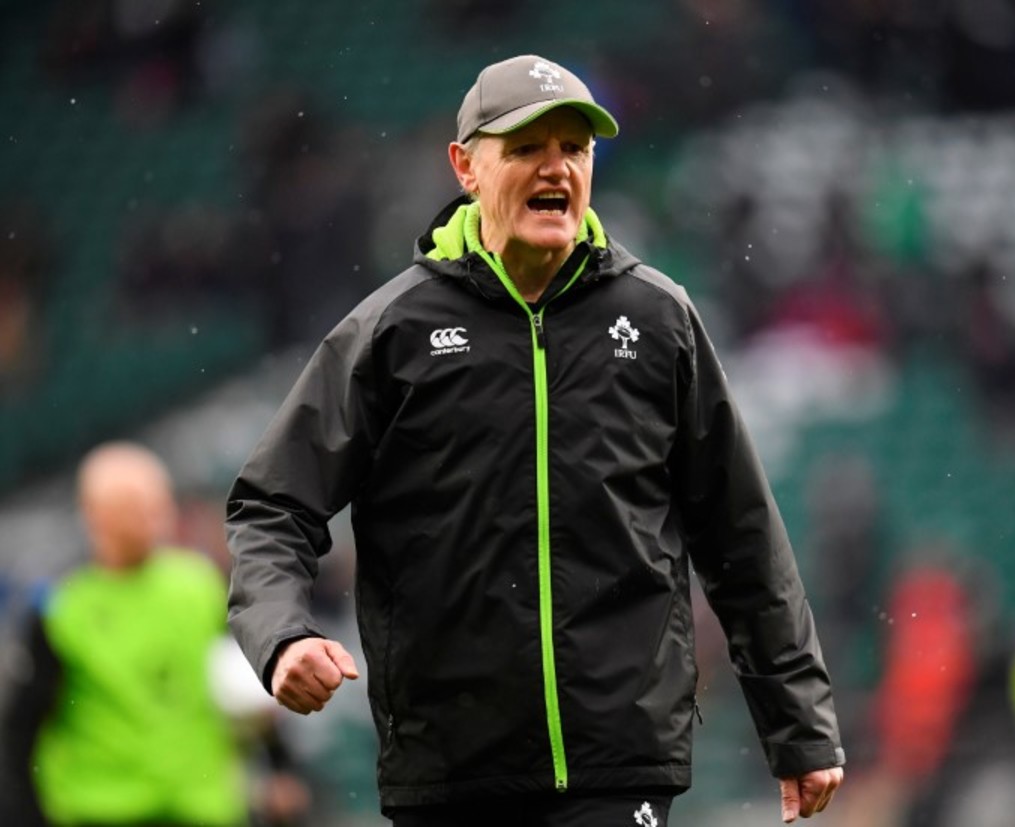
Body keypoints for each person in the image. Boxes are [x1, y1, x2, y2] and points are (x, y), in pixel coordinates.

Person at [225, 53, 845, 826]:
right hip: (451, 772)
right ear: (466, 167)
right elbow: (272, 505)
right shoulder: (391, 333)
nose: (557, 168)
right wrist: (282, 636)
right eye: (526, 147)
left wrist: (799, 724)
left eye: (574, 148)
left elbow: (740, 535)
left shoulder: (658, 321)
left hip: (619, 764)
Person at [0, 441, 248, 826]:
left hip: (202, 807)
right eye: (131, 505)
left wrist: (280, 763)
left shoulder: (201, 586)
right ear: (93, 514)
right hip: (101, 812)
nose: (150, 517)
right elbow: (22, 727)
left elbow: (245, 687)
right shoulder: (62, 609)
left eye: (155, 502)